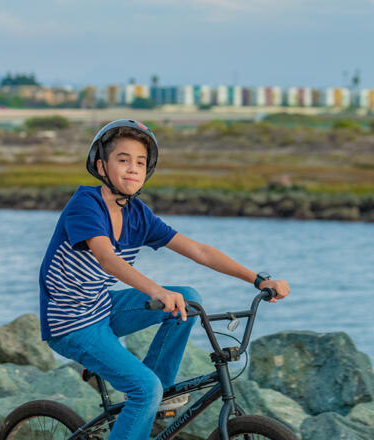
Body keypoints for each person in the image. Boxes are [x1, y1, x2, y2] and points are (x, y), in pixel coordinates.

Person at [38, 119, 290, 439]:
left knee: (188, 297)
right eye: (123, 159)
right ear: (101, 166)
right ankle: (147, 395)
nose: (133, 168)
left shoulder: (138, 214)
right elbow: (107, 258)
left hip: (101, 307)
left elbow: (199, 251)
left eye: (140, 162)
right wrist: (157, 290)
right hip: (70, 322)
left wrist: (259, 280)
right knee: (145, 389)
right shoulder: (86, 205)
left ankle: (156, 397)